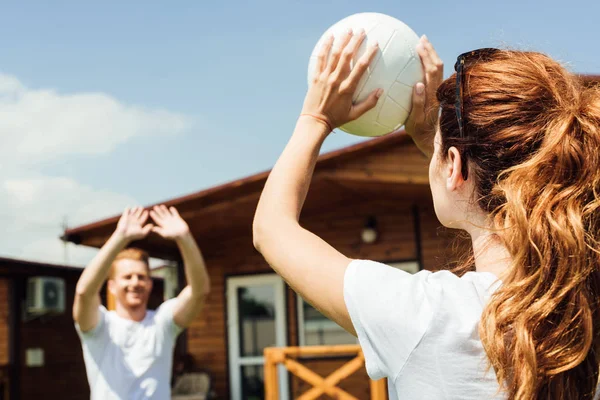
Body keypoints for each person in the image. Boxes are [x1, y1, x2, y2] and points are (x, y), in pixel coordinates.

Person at [252, 28, 600, 399]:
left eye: (436, 152)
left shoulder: (428, 316)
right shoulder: (585, 306)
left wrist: (315, 119)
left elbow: (271, 229)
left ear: (453, 166)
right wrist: (440, 147)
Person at [73, 205, 210, 399]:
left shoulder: (163, 323)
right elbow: (84, 292)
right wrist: (120, 237)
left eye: (141, 277)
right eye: (127, 277)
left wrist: (184, 237)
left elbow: (199, 291)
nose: (135, 283)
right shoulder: (100, 325)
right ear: (111, 286)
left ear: (150, 284)